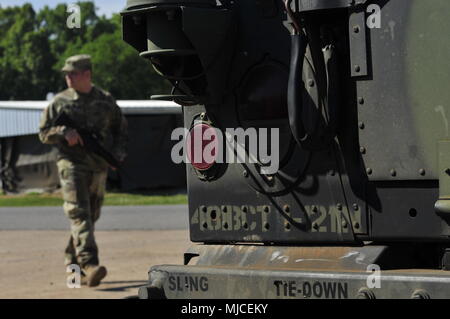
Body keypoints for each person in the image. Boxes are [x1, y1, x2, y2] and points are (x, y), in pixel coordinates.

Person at [39, 54, 127, 287]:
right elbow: (43, 132)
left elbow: (121, 130)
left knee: (91, 216)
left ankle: (72, 262)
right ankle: (89, 265)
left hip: (98, 165)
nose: (67, 77)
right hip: (71, 164)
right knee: (79, 213)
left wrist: (116, 154)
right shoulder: (59, 102)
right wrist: (62, 133)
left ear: (87, 74)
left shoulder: (106, 101)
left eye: (73, 73)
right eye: (66, 74)